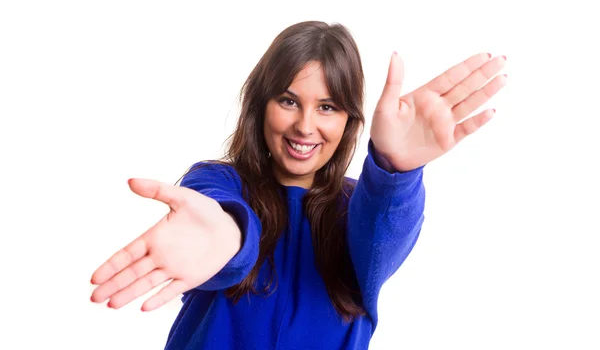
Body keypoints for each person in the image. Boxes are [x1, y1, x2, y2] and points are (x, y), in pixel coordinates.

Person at [90, 21, 507, 349]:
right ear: (261, 105)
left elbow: (383, 235)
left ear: (347, 123)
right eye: (288, 101)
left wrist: (395, 170)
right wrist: (227, 236)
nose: (304, 126)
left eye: (327, 107)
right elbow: (226, 220)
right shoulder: (219, 180)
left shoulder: (357, 208)